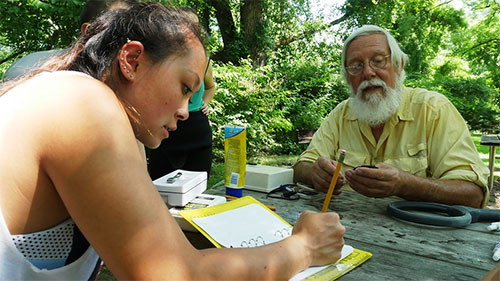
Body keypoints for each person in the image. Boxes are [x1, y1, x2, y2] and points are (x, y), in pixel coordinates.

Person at [0, 3, 345, 280]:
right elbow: (175, 274)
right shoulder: (83, 103)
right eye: (184, 87)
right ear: (132, 60)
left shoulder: (77, 102)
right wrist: (305, 248)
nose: (185, 111)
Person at [293, 25, 489, 208]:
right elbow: (301, 168)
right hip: (344, 229)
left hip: (422, 238)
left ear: (399, 65)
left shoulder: (433, 110)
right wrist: (314, 173)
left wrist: (407, 185)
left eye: (378, 61)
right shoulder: (340, 115)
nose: (368, 73)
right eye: (356, 66)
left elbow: (474, 194)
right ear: (347, 77)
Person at [148, 7, 216, 180]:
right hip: (168, 131)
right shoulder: (159, 59)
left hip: (196, 128)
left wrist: (204, 102)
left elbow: (210, 87)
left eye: (195, 27)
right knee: (160, 184)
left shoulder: (204, 62)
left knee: (197, 186)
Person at [2, 0, 137, 82]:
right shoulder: (30, 70)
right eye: (118, 28)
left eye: (133, 28)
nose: (129, 37)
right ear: (88, 32)